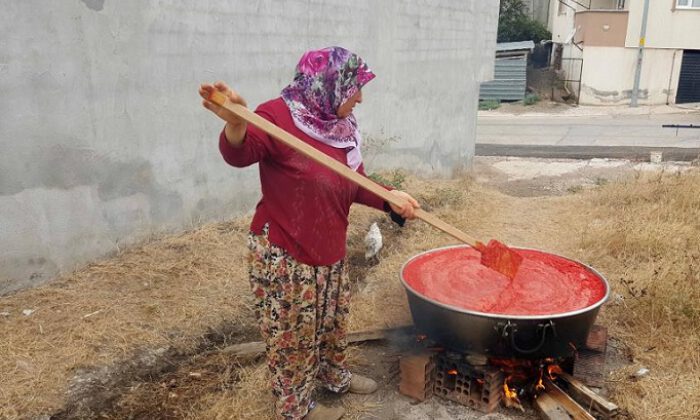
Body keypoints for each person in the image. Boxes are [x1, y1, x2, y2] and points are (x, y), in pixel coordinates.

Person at [199, 46, 419, 420]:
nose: (361, 97)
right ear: (329, 83)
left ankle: (335, 378)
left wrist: (389, 198)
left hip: (329, 245)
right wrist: (236, 123)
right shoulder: (276, 117)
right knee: (293, 335)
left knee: (333, 323)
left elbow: (354, 181)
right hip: (285, 249)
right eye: (355, 88)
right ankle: (296, 407)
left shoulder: (340, 125)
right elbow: (240, 154)